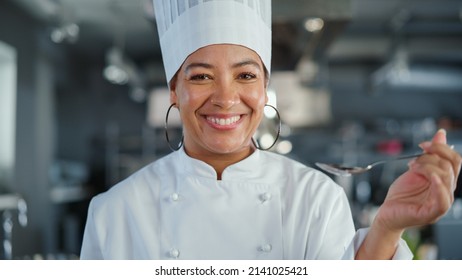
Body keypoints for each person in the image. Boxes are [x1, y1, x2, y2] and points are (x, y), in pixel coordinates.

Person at [80, 0, 461, 260]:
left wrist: (387, 227)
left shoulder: (315, 198)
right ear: (174, 91)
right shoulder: (114, 212)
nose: (226, 98)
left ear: (264, 90)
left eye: (245, 75)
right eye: (201, 76)